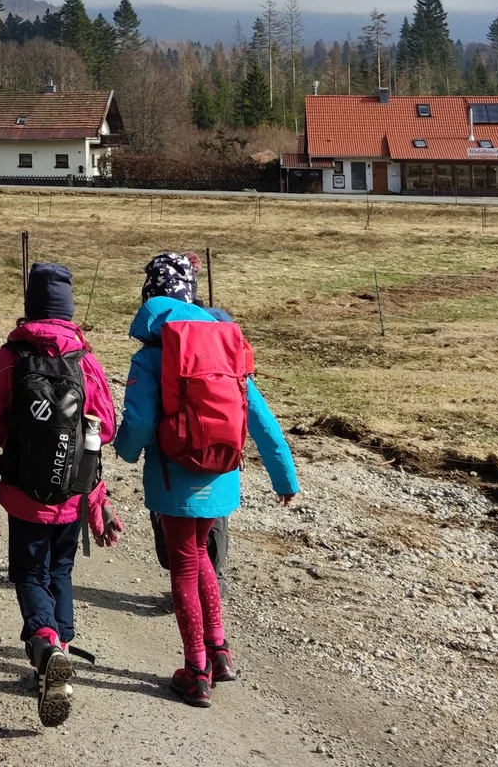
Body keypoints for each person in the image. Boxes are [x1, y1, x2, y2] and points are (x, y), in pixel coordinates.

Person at [114, 251, 300, 708]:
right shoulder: (226, 345)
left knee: (184, 565)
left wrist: (124, 451)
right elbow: (259, 417)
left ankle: (196, 669)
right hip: (221, 472)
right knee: (203, 558)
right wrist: (284, 476)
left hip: (174, 479)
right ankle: (219, 651)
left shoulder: (154, 353)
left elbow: (137, 422)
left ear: (150, 296)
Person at [0, 261, 121, 728]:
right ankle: (61, 647)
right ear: (69, 309)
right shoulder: (87, 362)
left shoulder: (9, 357)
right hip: (75, 492)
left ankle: (45, 642)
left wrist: (20, 438)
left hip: (23, 489)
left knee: (27, 572)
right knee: (60, 568)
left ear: (30, 306)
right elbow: (109, 426)